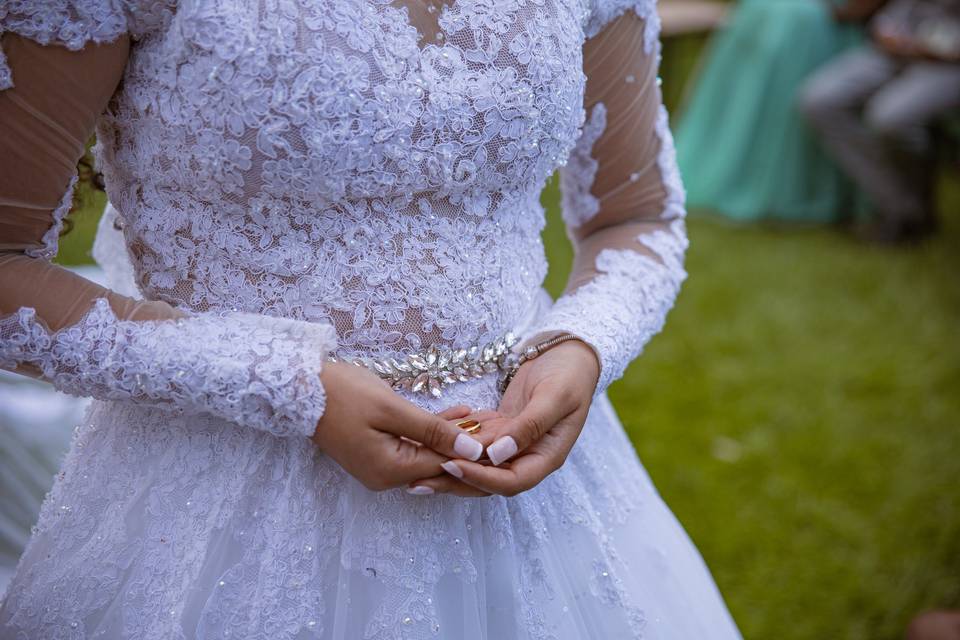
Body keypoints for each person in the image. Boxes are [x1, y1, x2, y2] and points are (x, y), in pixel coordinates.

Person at [0, 0, 743, 637]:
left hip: (529, 480)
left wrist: (582, 345)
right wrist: (286, 386)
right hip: (221, 488)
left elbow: (637, 216)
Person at [674, 0, 865, 224]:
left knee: (792, 19)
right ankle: (737, 171)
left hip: (828, 16)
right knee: (767, 10)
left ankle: (792, 187)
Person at [800, 0, 960, 243]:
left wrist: (940, 48)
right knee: (820, 100)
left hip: (948, 63)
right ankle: (901, 206)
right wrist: (885, 30)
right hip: (892, 49)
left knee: (890, 118)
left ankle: (905, 213)